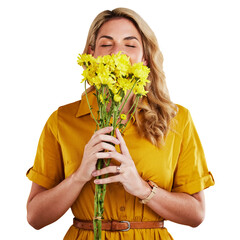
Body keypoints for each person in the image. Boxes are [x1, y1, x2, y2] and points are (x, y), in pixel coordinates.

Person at [26, 7, 214, 240]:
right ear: (91, 54)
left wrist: (143, 189)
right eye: (106, 44)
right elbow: (35, 217)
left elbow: (196, 214)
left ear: (145, 58)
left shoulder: (177, 120)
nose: (117, 53)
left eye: (130, 44)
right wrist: (79, 176)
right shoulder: (61, 120)